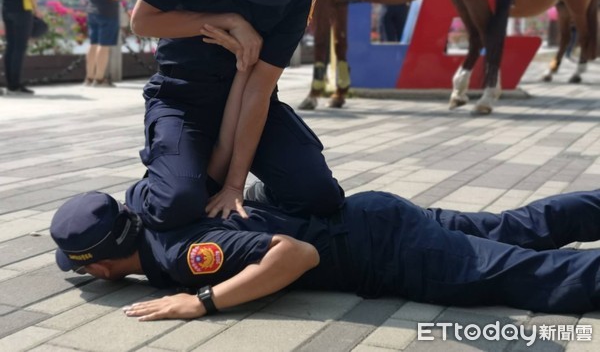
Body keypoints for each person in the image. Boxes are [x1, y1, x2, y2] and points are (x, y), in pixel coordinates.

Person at [51, 182, 600, 319]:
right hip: (374, 212)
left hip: (386, 250)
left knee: (529, 274)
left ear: (99, 268)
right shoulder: (164, 209)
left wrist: (204, 301)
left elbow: (295, 256)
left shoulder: (179, 256)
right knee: (520, 225)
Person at [129, 0, 343, 231]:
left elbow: (259, 88)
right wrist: (227, 21)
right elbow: (142, 22)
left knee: (320, 197)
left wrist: (234, 186)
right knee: (177, 203)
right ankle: (144, 195)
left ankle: (264, 195)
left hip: (251, 100)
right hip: (181, 97)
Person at [0, 0, 39, 95]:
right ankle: (16, 84)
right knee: (20, 47)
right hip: (22, 10)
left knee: (10, 46)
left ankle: (10, 83)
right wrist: (37, 9)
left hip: (7, 10)